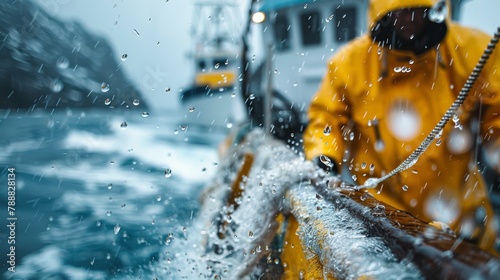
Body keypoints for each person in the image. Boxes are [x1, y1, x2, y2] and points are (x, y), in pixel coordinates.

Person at [281, 0, 500, 278]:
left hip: (463, 227)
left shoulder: (475, 50)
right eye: (401, 12)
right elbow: (326, 120)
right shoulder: (349, 63)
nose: (410, 19)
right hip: (382, 227)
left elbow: (496, 119)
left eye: (419, 11)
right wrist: (325, 155)